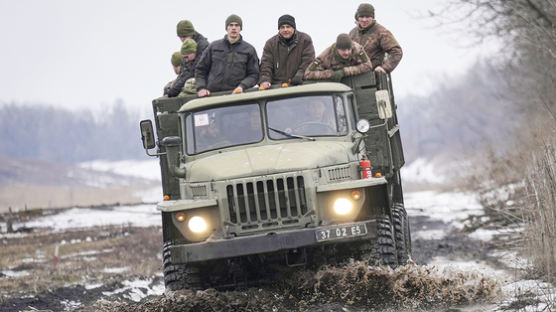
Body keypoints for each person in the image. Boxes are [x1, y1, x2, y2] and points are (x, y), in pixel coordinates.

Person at [195, 14, 260, 97]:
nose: (234, 28)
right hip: (212, 96)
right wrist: (201, 88)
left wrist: (242, 86)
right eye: (231, 25)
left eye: (237, 25)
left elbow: (254, 74)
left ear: (240, 28)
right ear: (226, 28)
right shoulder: (214, 46)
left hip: (237, 97)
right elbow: (200, 69)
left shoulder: (249, 50)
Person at [259, 14, 315, 89]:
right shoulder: (270, 43)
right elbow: (266, 64)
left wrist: (299, 75)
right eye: (282, 27)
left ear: (294, 28)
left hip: (300, 84)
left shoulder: (305, 40)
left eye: (288, 27)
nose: (285, 30)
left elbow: (308, 61)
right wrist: (265, 80)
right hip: (278, 86)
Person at [349, 3, 402, 74]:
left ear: (372, 17)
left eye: (367, 16)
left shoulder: (381, 32)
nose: (364, 19)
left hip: (374, 77)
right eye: (361, 16)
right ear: (358, 18)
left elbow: (396, 52)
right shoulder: (352, 33)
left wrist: (385, 68)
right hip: (354, 76)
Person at [304, 33, 372, 81]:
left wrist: (344, 72)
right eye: (343, 50)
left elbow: (368, 65)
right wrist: (331, 74)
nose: (346, 52)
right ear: (337, 49)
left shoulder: (358, 50)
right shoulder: (326, 55)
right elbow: (308, 74)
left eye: (349, 49)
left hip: (356, 82)